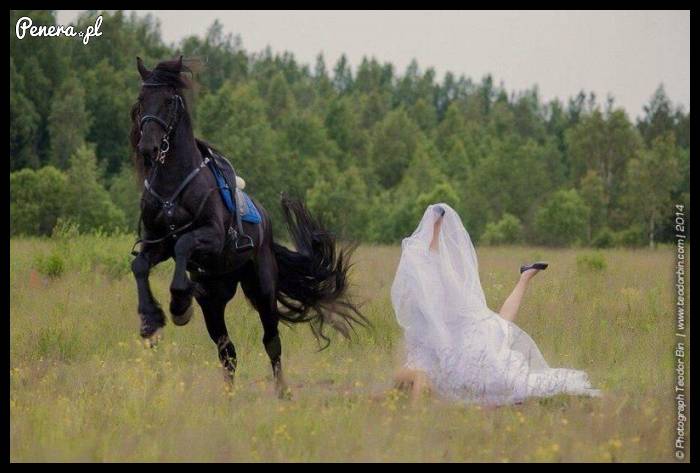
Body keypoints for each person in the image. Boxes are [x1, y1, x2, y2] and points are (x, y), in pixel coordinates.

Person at [391, 203, 601, 405]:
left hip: (462, 337)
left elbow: (433, 257)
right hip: (457, 339)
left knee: (499, 335)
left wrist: (435, 227)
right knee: (500, 327)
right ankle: (525, 276)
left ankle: (525, 276)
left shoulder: (435, 288)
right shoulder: (425, 302)